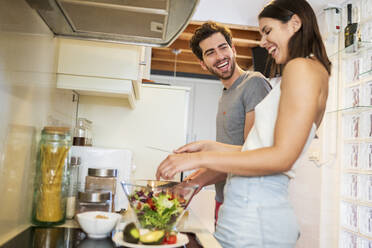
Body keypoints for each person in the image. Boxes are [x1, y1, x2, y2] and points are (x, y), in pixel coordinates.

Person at [156, 0, 331, 247]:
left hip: (255, 219)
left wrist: (200, 160)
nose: (262, 42)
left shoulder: (300, 68)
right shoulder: (311, 70)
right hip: (248, 216)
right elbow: (262, 151)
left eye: (268, 31)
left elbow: (282, 158)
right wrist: (208, 147)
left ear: (294, 23)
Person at [184, 21, 271, 225]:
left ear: (233, 49)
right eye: (211, 52)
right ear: (203, 63)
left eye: (223, 47)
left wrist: (195, 176)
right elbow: (228, 155)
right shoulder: (225, 94)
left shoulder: (254, 83)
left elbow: (251, 156)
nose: (220, 56)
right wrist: (190, 183)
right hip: (224, 199)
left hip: (247, 205)